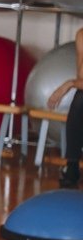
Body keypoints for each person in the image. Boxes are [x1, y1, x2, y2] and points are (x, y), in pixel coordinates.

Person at [46, 27, 83, 189]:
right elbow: (81, 76)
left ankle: (72, 165)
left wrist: (69, 84)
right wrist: (73, 83)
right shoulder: (82, 35)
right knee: (80, 99)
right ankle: (72, 165)